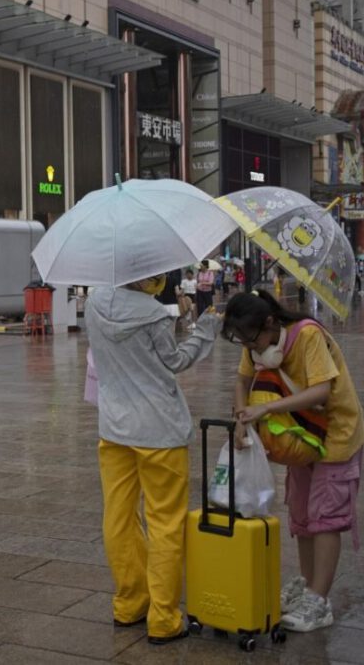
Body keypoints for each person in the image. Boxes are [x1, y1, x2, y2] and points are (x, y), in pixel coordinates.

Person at [86, 274, 222, 645]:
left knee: (118, 516)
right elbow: (175, 361)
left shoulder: (94, 302)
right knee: (164, 522)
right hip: (159, 431)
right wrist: (204, 328)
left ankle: (129, 604)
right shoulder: (152, 315)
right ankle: (163, 618)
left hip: (114, 428)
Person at [224, 290, 364, 633]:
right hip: (300, 437)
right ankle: (306, 583)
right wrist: (242, 418)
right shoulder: (254, 342)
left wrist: (266, 409)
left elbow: (322, 392)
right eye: (241, 341)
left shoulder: (308, 335)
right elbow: (242, 380)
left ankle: (319, 600)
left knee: (325, 517)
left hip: (335, 435)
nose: (250, 347)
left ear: (271, 324)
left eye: (252, 339)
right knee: (302, 515)